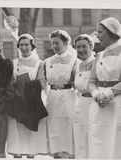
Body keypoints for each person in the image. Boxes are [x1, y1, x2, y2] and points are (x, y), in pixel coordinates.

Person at [7, 34, 48, 158]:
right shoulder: (13, 63)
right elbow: (8, 83)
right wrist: (15, 86)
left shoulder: (39, 63)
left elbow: (42, 83)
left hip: (32, 103)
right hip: (17, 104)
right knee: (17, 138)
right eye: (21, 45)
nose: (24, 47)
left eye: (26, 45)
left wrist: (25, 86)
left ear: (32, 46)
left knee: (31, 139)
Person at [87, 17, 121, 159]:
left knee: (116, 141)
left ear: (111, 32)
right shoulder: (100, 55)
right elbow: (91, 80)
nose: (97, 35)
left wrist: (108, 94)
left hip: (117, 103)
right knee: (98, 142)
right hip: (98, 104)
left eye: (100, 32)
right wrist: (96, 94)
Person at [44, 30, 80, 158]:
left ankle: (68, 154)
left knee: (67, 126)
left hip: (68, 96)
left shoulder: (74, 60)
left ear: (66, 42)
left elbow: (79, 82)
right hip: (52, 97)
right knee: (54, 127)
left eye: (57, 43)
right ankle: (57, 155)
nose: (54, 46)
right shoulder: (47, 62)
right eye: (52, 43)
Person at [73, 34, 95, 158]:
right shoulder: (77, 66)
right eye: (78, 47)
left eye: (84, 46)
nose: (81, 50)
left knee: (92, 136)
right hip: (80, 104)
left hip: (94, 104)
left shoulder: (97, 62)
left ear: (91, 46)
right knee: (80, 136)